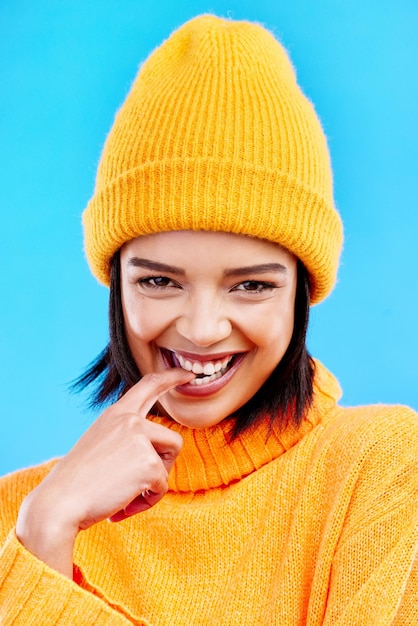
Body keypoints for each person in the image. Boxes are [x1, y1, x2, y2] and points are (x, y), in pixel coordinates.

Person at [0, 14, 417, 625]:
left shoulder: (380, 470)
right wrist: (45, 532)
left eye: (250, 286)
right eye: (159, 281)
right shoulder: (24, 514)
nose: (201, 328)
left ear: (302, 290)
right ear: (116, 285)